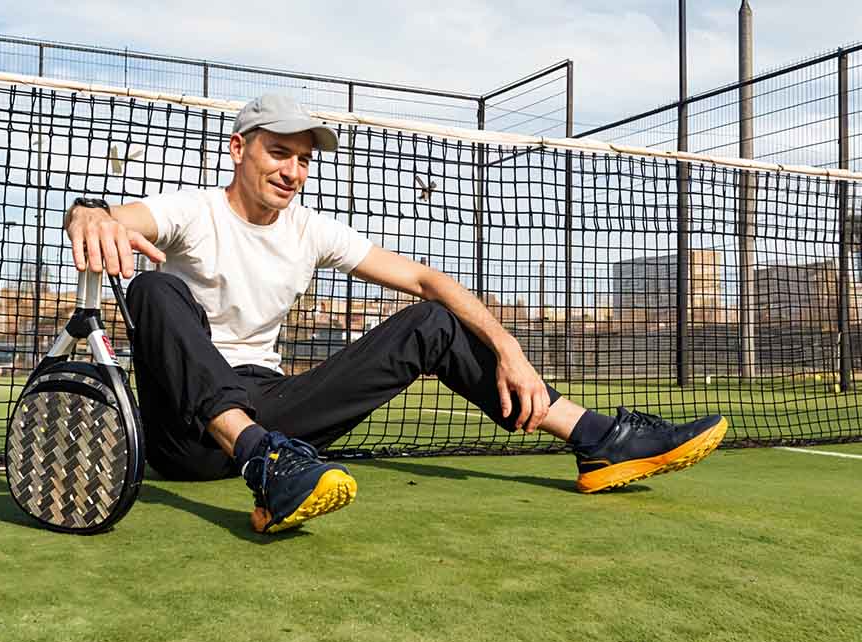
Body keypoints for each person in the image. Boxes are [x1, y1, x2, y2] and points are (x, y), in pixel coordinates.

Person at [63, 94, 728, 534]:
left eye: (303, 158)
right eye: (278, 151)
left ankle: (596, 439)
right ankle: (261, 459)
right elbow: (113, 219)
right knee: (154, 290)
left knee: (432, 320)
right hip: (187, 434)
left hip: (272, 408)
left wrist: (510, 347)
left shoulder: (311, 230)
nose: (293, 170)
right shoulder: (193, 210)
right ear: (239, 149)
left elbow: (425, 277)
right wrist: (90, 215)